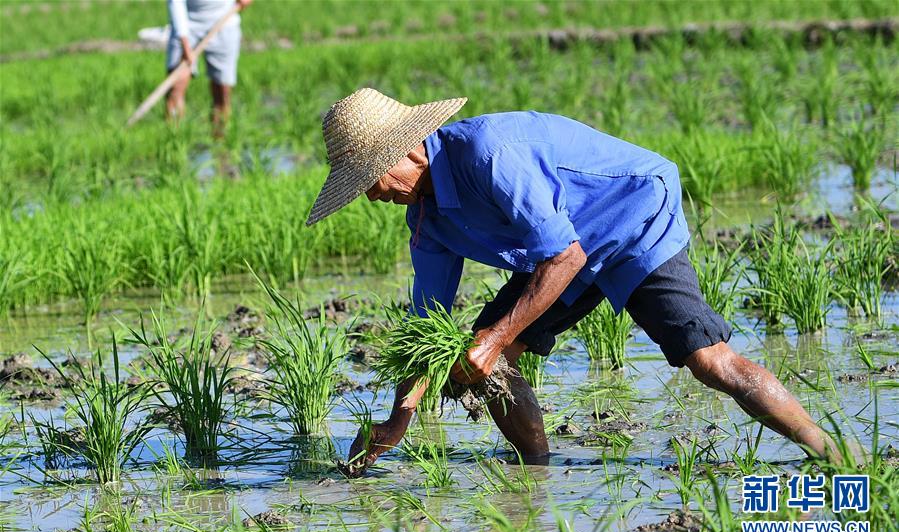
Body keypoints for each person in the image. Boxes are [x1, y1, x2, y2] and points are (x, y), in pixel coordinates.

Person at [305, 88, 840, 474]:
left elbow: (564, 255)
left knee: (708, 359)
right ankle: (536, 478)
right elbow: (429, 324)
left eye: (370, 180)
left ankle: (835, 457)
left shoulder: (490, 154)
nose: (372, 196)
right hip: (561, 248)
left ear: (409, 151)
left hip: (632, 217)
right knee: (490, 363)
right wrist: (399, 419)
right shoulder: (427, 219)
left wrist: (490, 339)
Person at [165, 0, 252, 135]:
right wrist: (185, 44)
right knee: (176, 87)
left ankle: (220, 144)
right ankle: (174, 142)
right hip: (187, 24)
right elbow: (176, 3)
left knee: (223, 91)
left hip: (224, 20)